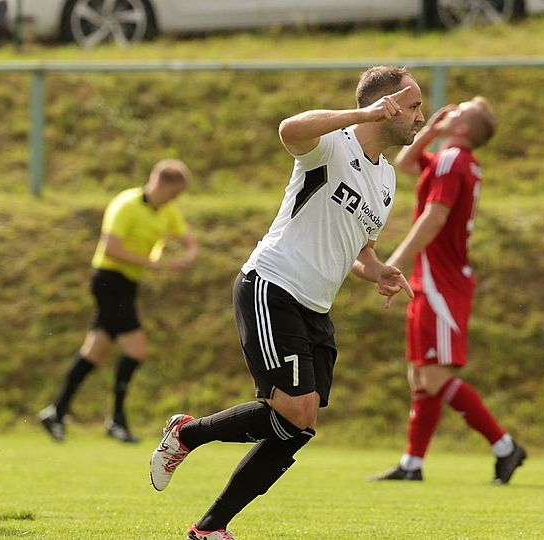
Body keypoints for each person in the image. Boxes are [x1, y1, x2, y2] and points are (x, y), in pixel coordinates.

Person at [149, 65, 422, 540]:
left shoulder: (388, 180)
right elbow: (288, 129)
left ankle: (209, 528)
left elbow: (357, 247)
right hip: (272, 284)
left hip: (316, 307)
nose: (422, 117)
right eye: (415, 106)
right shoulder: (331, 144)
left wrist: (377, 270)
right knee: (293, 412)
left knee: (300, 425)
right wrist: (360, 113)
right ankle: (185, 436)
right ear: (389, 105)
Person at [371, 97, 526, 484]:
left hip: (441, 280)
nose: (447, 110)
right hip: (434, 277)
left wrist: (396, 260)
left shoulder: (453, 160)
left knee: (435, 378)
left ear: (463, 129)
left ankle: (505, 446)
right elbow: (405, 163)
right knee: (421, 377)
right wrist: (431, 133)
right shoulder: (452, 159)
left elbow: (434, 217)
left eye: (457, 112)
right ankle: (412, 464)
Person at [38, 158, 199, 443]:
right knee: (136, 351)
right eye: (173, 193)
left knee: (93, 353)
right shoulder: (125, 204)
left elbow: (188, 240)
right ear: (160, 183)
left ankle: (56, 412)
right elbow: (111, 249)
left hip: (128, 285)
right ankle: (116, 419)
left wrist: (187, 254)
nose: (174, 200)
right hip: (109, 281)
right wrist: (153, 264)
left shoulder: (167, 210)